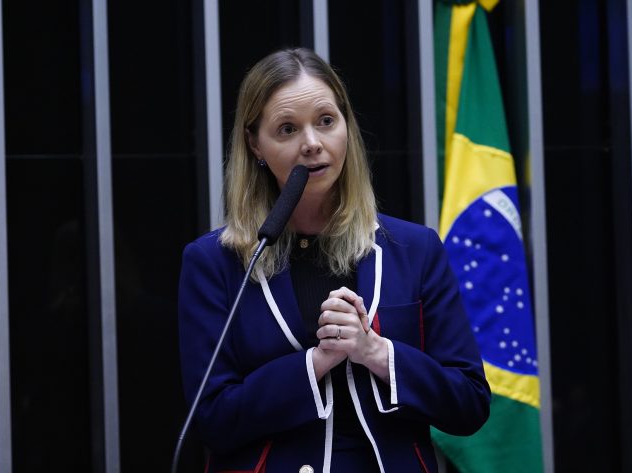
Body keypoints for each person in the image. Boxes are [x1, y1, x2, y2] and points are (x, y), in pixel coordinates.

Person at [178, 47, 490, 472]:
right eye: (287, 129)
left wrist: (376, 351)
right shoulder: (214, 263)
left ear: (347, 126)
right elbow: (212, 420)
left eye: (326, 121)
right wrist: (315, 362)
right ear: (255, 144)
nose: (312, 144)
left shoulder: (414, 250)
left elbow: (469, 404)